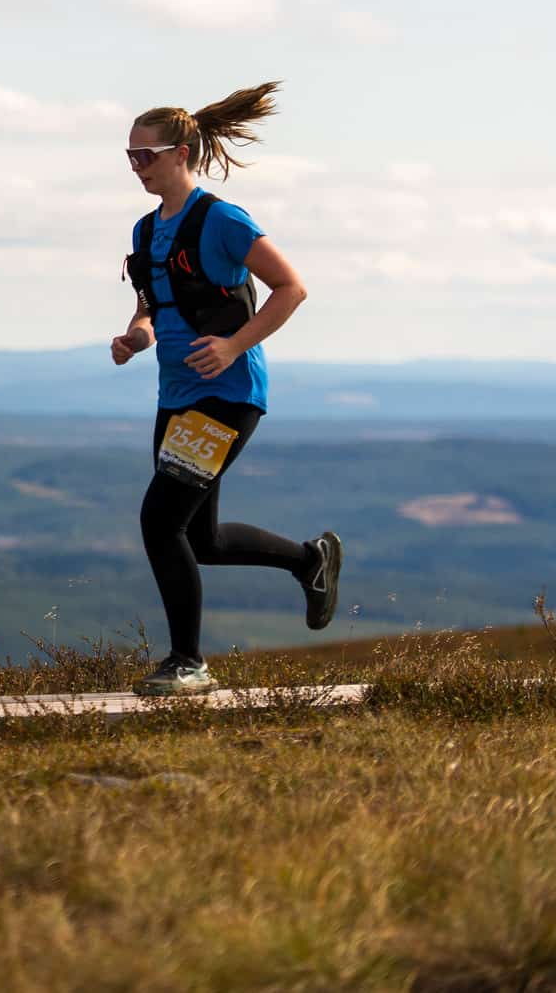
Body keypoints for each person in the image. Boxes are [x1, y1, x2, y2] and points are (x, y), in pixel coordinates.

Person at [110, 82, 342, 695]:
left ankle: (188, 663)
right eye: (129, 157)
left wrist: (235, 345)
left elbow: (290, 287)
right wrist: (136, 337)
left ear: (181, 153)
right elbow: (152, 308)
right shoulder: (143, 231)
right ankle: (308, 559)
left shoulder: (221, 219)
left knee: (161, 523)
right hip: (177, 397)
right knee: (201, 539)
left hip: (227, 395)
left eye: (146, 156)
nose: (137, 167)